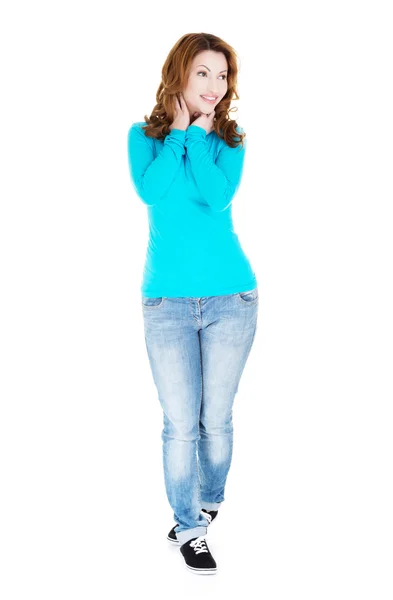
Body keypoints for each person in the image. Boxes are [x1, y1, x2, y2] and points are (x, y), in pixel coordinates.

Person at [127, 32, 258, 575]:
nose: (214, 84)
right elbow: (153, 191)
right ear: (179, 73)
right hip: (167, 304)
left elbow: (216, 195)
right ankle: (189, 527)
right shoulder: (143, 137)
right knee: (180, 423)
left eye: (222, 75)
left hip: (233, 298)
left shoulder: (231, 139)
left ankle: (208, 500)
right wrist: (180, 134)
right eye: (203, 72)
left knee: (215, 421)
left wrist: (202, 136)